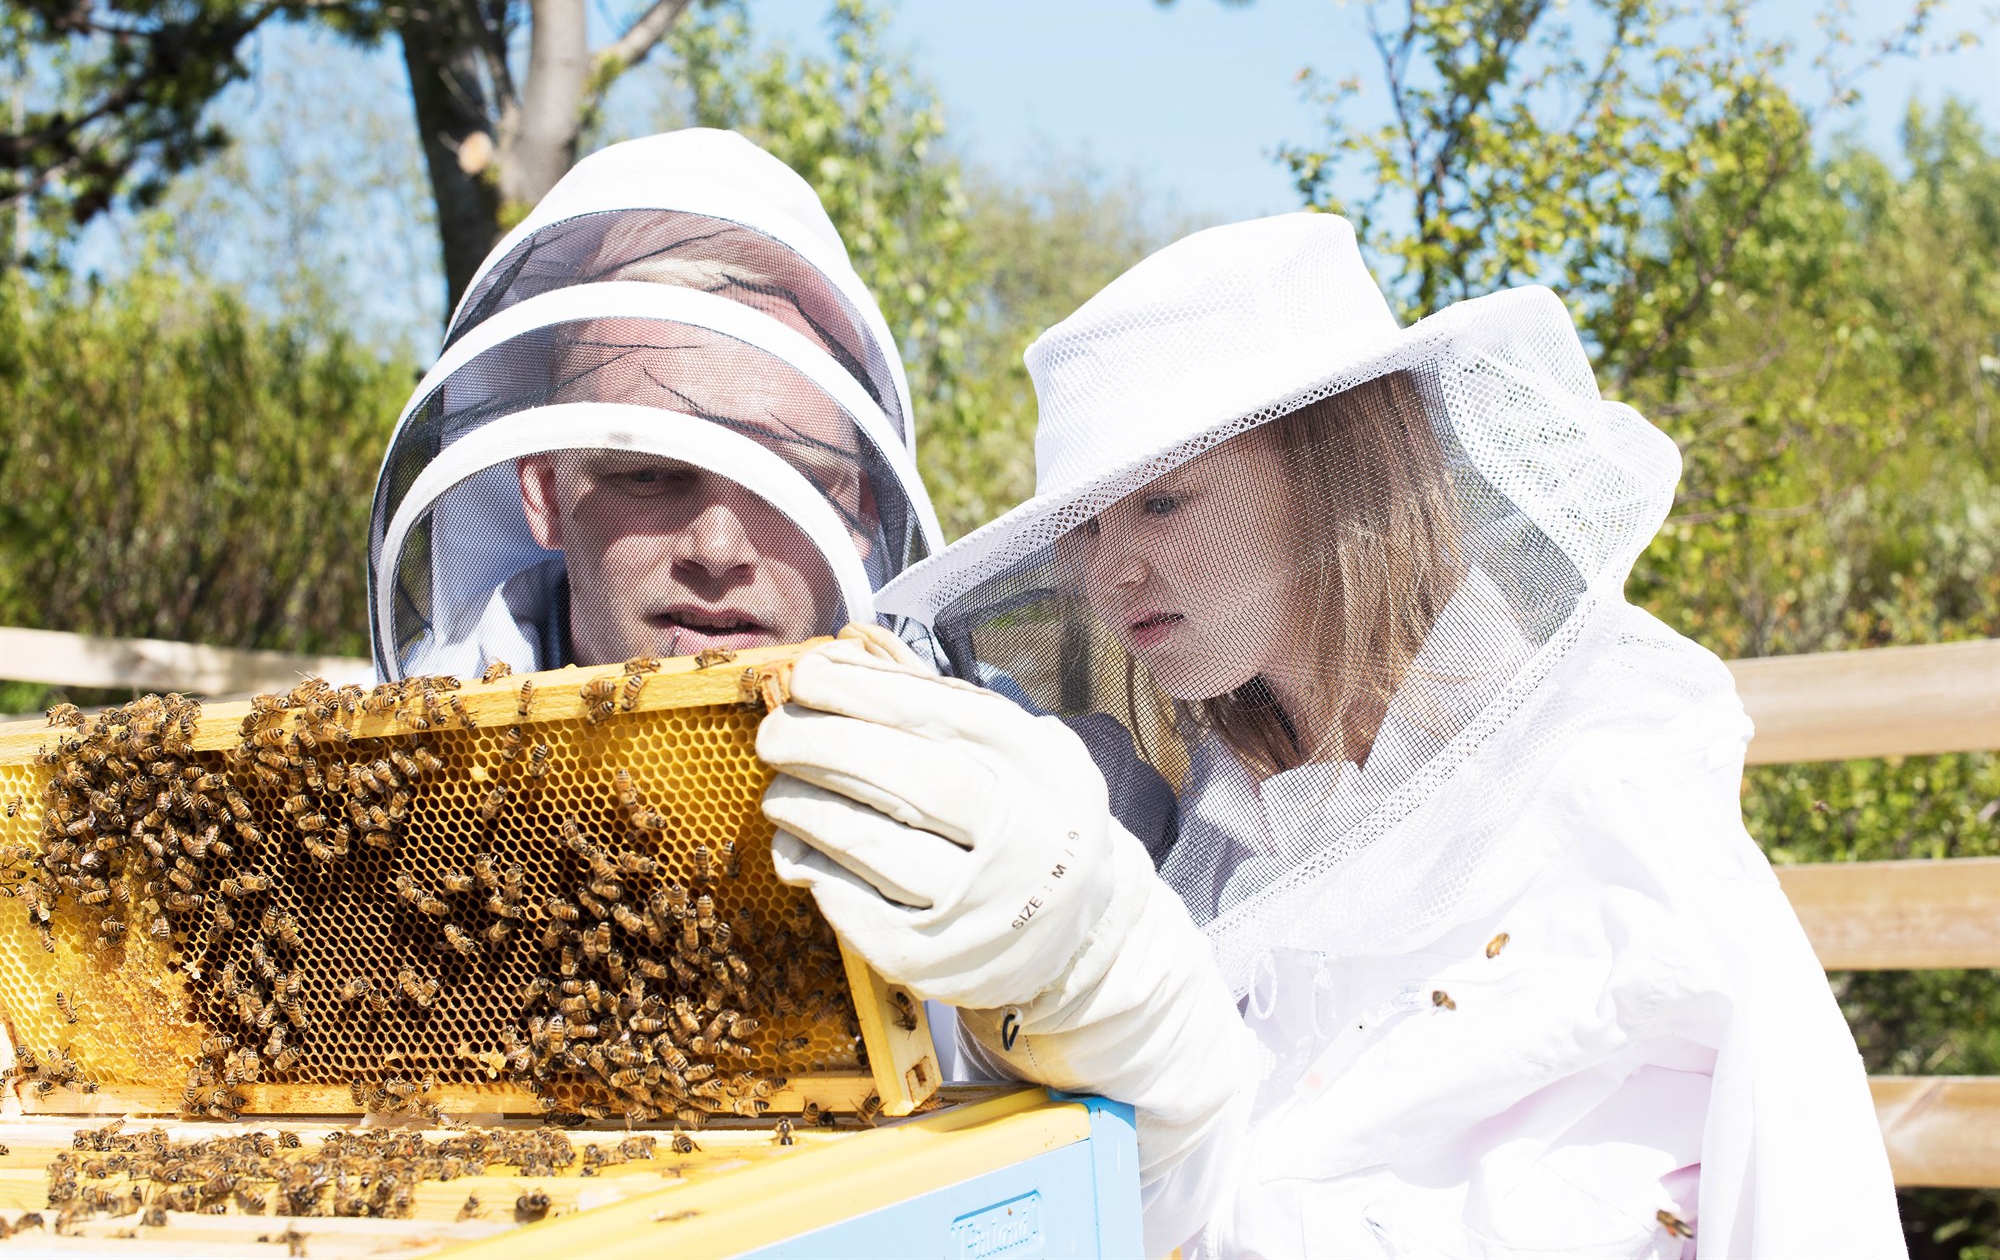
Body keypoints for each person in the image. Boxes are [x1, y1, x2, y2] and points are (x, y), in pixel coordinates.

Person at [755, 213, 1905, 1257]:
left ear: (1332, 469)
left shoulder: (1603, 793)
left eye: (1159, 500)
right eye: (1089, 526)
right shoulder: (1230, 828)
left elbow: (1804, 1173)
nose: (1109, 571)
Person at [366, 129, 941, 680]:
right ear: (545, 493)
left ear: (862, 509)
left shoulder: (996, 747)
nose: (718, 551)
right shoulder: (410, 756)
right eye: (650, 473)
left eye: (790, 480)